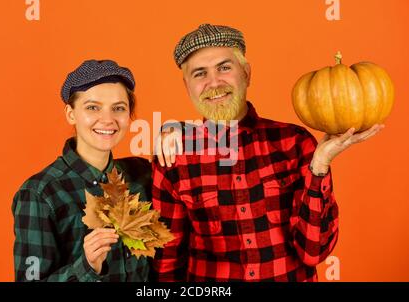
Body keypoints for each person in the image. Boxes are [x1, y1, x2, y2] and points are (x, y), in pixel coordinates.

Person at [151, 24, 384, 281]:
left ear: (247, 73)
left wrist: (320, 164)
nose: (213, 82)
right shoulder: (174, 155)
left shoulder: (294, 143)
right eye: (199, 73)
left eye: (224, 67)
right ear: (187, 86)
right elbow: (168, 259)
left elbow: (313, 252)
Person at [12, 60, 151, 281]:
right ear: (71, 114)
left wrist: (172, 130)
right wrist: (86, 267)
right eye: (92, 107)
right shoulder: (40, 193)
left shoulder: (141, 174)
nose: (107, 119)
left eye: (118, 108)